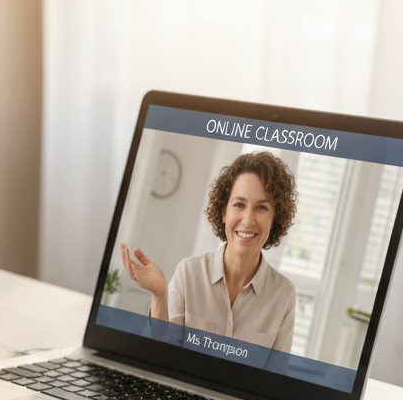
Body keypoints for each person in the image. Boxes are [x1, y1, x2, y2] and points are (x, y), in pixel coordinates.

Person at [121, 151, 298, 353]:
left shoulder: (284, 295)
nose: (248, 220)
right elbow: (158, 356)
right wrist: (160, 296)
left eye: (261, 207)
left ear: (275, 218)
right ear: (224, 212)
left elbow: (272, 380)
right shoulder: (188, 273)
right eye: (239, 204)